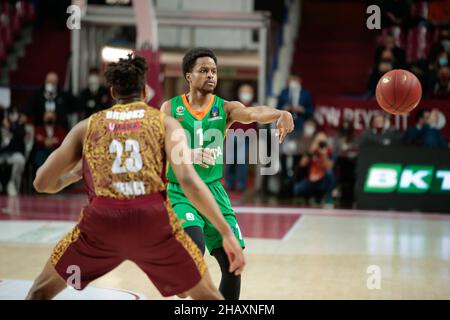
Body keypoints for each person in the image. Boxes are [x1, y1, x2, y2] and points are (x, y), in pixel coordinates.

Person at [26, 54, 245, 300]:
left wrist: (75, 174)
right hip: (150, 221)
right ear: (144, 91)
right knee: (206, 297)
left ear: (111, 92)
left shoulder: (88, 126)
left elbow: (41, 183)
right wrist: (226, 233)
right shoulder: (164, 123)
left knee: (39, 292)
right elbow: (190, 182)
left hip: (102, 222)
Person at [160, 47, 294, 300]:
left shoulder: (225, 108)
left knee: (232, 266)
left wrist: (280, 113)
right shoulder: (171, 108)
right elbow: (159, 147)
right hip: (181, 191)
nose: (211, 75)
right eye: (204, 70)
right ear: (189, 76)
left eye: (214, 71)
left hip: (213, 191)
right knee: (194, 245)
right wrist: (189, 154)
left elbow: (254, 113)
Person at [225, 83, 256, 192]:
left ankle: (241, 185)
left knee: (242, 162)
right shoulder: (233, 106)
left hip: (246, 137)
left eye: (248, 92)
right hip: (232, 135)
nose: (246, 94)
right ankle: (229, 183)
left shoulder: (254, 107)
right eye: (244, 92)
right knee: (230, 161)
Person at [293, 131, 335, 207]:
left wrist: (323, 154)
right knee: (297, 189)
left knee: (329, 173)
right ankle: (309, 197)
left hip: (322, 181)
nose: (320, 145)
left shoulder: (329, 152)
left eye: (322, 143)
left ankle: (328, 198)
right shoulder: (310, 150)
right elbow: (302, 165)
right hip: (311, 180)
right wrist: (311, 152)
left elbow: (330, 167)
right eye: (318, 142)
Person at [0, 106, 26, 196]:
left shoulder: (18, 127)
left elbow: (20, 138)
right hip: (2, 154)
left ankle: (11, 183)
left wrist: (10, 127)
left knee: (20, 160)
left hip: (14, 154)